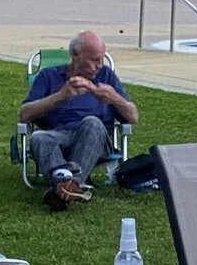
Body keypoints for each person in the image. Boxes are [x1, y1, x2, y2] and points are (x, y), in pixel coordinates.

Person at [18, 29, 136, 210]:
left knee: (91, 122)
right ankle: (68, 185)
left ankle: (64, 183)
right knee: (38, 138)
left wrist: (114, 98)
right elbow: (24, 115)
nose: (99, 65)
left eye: (102, 59)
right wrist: (60, 96)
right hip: (58, 135)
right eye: (94, 60)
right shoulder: (48, 76)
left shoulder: (106, 77)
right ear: (75, 55)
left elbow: (133, 116)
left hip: (95, 139)